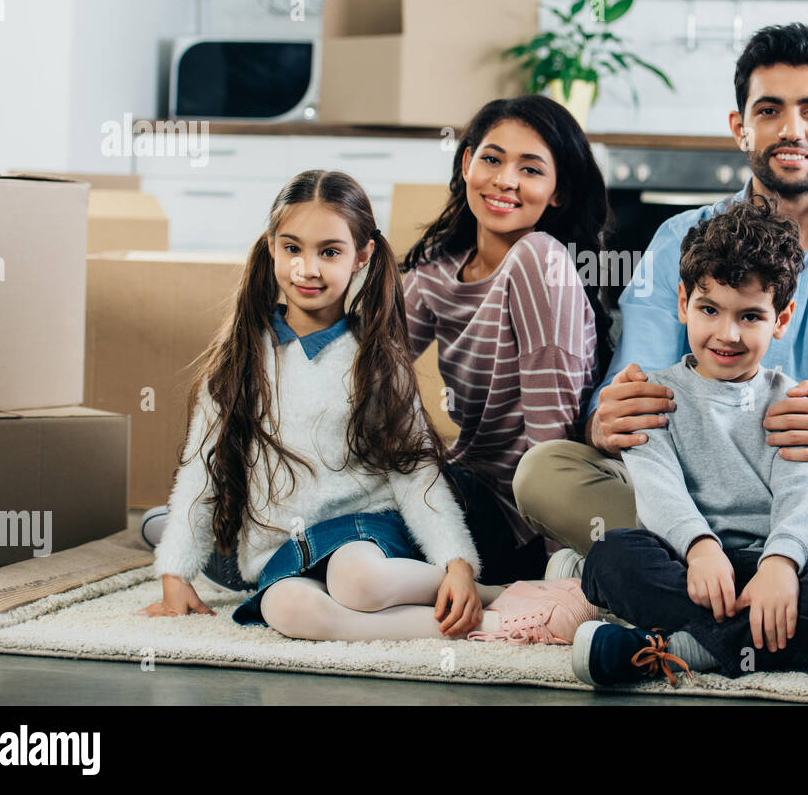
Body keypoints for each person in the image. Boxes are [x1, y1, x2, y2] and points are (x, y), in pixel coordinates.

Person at [517, 23, 808, 645]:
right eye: (770, 110)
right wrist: (606, 419)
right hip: (682, 499)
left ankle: (671, 605)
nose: (792, 129)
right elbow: (625, 399)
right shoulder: (679, 240)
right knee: (543, 472)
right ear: (740, 126)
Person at [141, 169, 597, 646]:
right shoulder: (239, 360)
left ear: (362, 255)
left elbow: (416, 472)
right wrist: (176, 573)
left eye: (330, 252)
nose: (308, 268)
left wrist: (457, 564)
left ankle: (489, 591)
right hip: (280, 548)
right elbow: (200, 469)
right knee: (286, 608)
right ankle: (504, 621)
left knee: (359, 582)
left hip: (365, 530)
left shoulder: (376, 361)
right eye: (292, 248)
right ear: (271, 246)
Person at [573, 199, 808, 687]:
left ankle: (682, 648)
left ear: (781, 318)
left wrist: (780, 564)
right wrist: (700, 548)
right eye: (709, 309)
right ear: (683, 303)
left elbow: (801, 501)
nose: (727, 334)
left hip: (779, 570)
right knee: (611, 557)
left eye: (750, 316)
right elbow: (658, 489)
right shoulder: (653, 395)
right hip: (685, 564)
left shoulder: (795, 403)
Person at [401, 95, 615, 584]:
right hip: (463, 491)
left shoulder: (544, 260)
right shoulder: (437, 271)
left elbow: (552, 440)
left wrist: (560, 569)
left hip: (527, 520)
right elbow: (363, 370)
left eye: (531, 169)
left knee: (357, 525)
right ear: (467, 163)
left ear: (558, 192)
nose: (505, 180)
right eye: (492, 159)